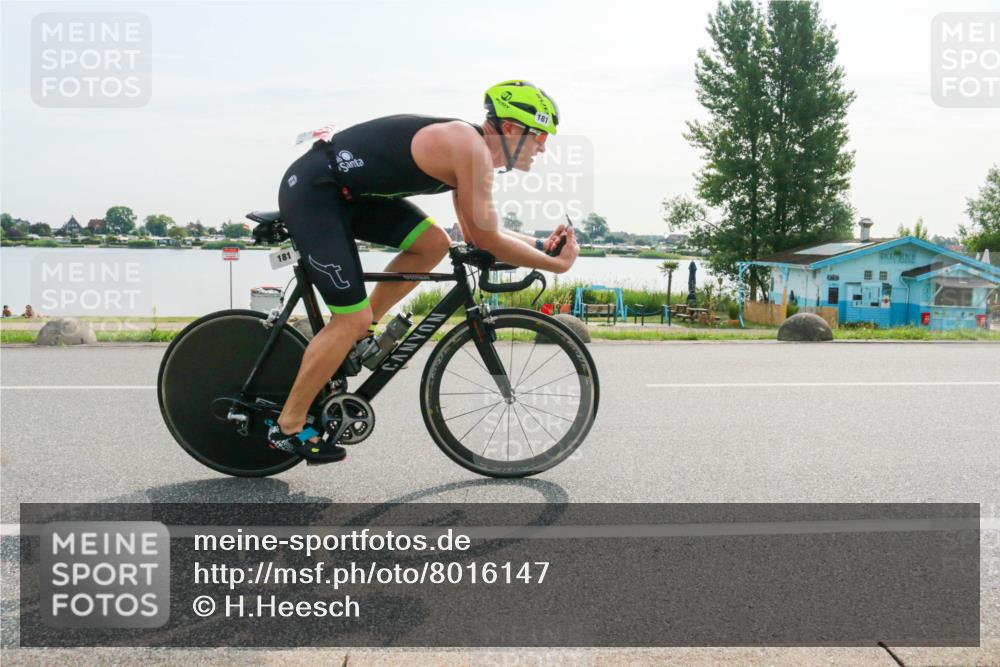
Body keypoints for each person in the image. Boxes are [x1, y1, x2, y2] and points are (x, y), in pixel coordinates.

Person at [268, 80, 579, 463]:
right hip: (317, 191)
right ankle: (289, 426)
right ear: (513, 130)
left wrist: (537, 247)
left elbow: (475, 233)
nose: (544, 147)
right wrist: (556, 264)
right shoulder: (470, 151)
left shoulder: (470, 151)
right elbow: (487, 239)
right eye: (540, 136)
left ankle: (360, 334)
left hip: (348, 196)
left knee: (432, 243)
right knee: (349, 318)